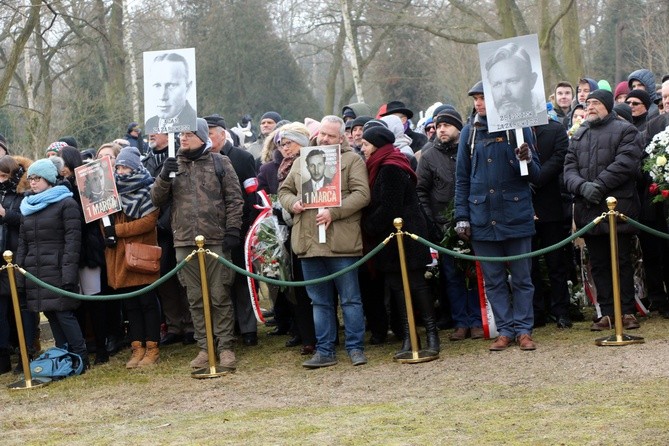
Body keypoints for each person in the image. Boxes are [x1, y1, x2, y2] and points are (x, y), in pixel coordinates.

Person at [151, 118, 244, 370]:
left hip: (215, 238)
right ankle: (204, 347)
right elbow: (157, 200)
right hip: (184, 240)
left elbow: (235, 199)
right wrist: (164, 177)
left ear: (203, 137)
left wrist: (233, 229)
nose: (184, 138)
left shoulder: (220, 162)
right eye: (181, 134)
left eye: (190, 134)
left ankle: (225, 347)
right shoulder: (173, 164)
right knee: (194, 297)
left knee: (219, 295)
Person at [278, 115, 370, 368]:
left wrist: (334, 212)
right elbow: (284, 191)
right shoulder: (301, 161)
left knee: (350, 298)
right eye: (322, 134)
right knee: (319, 301)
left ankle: (355, 348)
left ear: (341, 138)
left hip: (341, 241)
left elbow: (362, 194)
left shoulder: (351, 160)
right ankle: (325, 349)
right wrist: (292, 203)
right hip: (308, 242)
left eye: (331, 135)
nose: (325, 138)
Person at [454, 81, 540, 352]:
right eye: (476, 99)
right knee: (493, 280)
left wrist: (523, 159)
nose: (479, 103)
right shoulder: (469, 133)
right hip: (482, 218)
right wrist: (461, 216)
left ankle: (524, 330)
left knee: (523, 278)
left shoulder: (519, 128)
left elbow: (535, 176)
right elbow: (462, 179)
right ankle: (505, 330)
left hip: (516, 214)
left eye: (483, 98)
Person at [564, 89, 644, 331]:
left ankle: (627, 311)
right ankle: (607, 313)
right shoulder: (579, 135)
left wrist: (598, 185)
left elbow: (626, 163)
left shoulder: (626, 131)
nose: (589, 107)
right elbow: (568, 169)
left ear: (608, 106)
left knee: (620, 261)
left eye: (595, 103)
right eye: (587, 103)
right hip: (589, 211)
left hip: (618, 208)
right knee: (598, 263)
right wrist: (582, 186)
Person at [361, 125, 440, 356]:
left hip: (406, 235)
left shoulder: (391, 167)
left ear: (376, 144)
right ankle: (409, 336)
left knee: (416, 285)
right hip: (390, 239)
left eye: (365, 144)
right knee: (396, 286)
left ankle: (432, 335)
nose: (362, 148)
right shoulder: (379, 165)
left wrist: (368, 226)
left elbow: (390, 207)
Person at [416, 110, 483, 341]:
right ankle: (460, 322)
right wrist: (432, 222)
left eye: (446, 125)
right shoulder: (428, 156)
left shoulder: (471, 149)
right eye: (438, 125)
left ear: (458, 128)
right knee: (452, 277)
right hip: (443, 227)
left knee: (474, 273)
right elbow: (421, 191)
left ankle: (477, 320)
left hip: (474, 222)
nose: (441, 129)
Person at [16, 159, 88, 369]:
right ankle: (63, 355)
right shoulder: (27, 206)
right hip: (35, 270)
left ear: (48, 178)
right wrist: (21, 274)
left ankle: (81, 356)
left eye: (37, 178)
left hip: (57, 268)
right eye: (30, 178)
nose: (33, 182)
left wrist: (68, 274)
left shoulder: (67, 203)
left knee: (63, 313)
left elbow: (73, 242)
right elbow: (23, 243)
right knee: (49, 312)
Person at [103, 147, 162, 368]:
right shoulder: (110, 191)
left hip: (140, 254)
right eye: (118, 166)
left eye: (125, 166)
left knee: (147, 303)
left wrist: (117, 232)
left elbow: (148, 221)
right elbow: (103, 217)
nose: (121, 171)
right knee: (130, 305)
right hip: (118, 255)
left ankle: (152, 347)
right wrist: (106, 232)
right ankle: (137, 348)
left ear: (135, 167)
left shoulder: (148, 189)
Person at [204, 114, 259, 347]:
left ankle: (248, 329)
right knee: (219, 282)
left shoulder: (242, 158)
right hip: (212, 231)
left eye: (210, 133)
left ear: (222, 134)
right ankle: (228, 328)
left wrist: (244, 227)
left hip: (239, 228)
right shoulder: (202, 160)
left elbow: (251, 195)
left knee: (241, 281)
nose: (206, 138)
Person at [142, 132, 195, 346]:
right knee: (165, 279)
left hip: (178, 225)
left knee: (185, 277)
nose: (151, 135)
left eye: (157, 131)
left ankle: (191, 324)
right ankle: (174, 326)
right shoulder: (145, 161)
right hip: (156, 229)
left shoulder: (180, 156)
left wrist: (165, 219)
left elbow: (180, 193)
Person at [530, 115, 573, 329]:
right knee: (529, 265)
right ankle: (536, 312)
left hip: (549, 203)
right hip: (521, 205)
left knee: (556, 262)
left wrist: (536, 177)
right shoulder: (509, 129)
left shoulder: (554, 129)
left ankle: (561, 311)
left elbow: (559, 158)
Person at [0, 155, 32, 373]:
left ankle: (26, 354)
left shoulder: (24, 194)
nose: (1, 180)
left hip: (19, 257)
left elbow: (27, 221)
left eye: (4, 176)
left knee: (22, 309)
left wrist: (5, 214)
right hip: (0, 257)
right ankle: (3, 357)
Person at [484, 42, 545, 126]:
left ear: (532, 80)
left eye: (512, 81)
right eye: (497, 84)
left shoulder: (549, 117)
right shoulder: (488, 124)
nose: (504, 93)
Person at [145, 52, 197, 134]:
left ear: (188, 87)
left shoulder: (193, 121)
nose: (163, 96)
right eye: (157, 85)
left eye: (171, 85)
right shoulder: (150, 124)